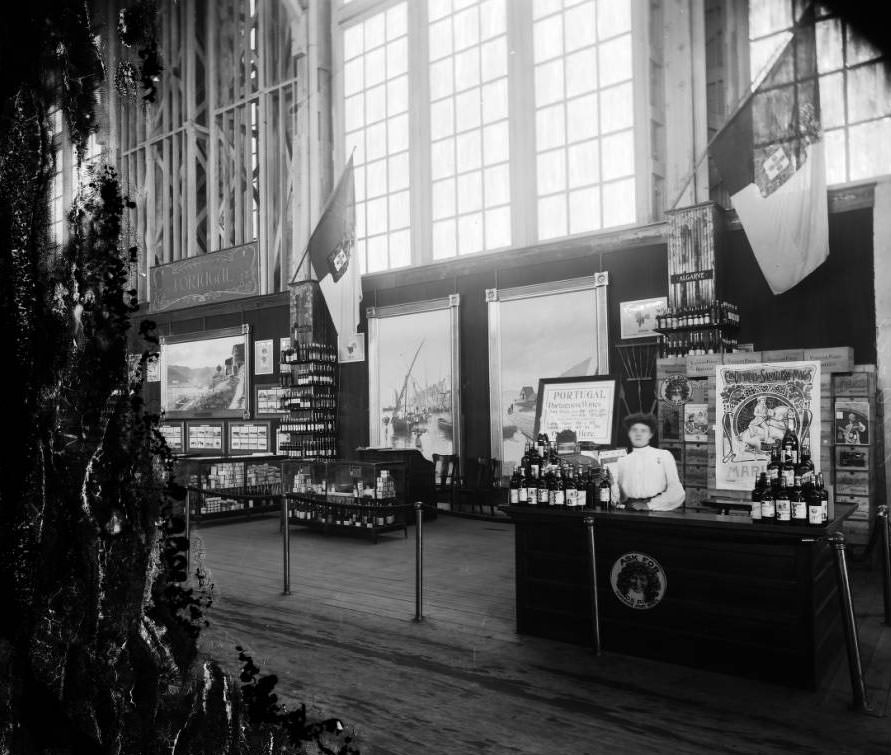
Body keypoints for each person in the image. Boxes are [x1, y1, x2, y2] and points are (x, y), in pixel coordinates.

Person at [611, 413, 685, 511]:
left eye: (643, 431)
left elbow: (676, 490)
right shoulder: (622, 461)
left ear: (651, 434)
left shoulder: (663, 455)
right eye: (634, 430)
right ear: (629, 433)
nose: (638, 434)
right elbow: (618, 495)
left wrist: (649, 505)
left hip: (657, 511)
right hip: (629, 511)